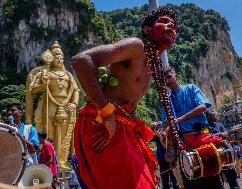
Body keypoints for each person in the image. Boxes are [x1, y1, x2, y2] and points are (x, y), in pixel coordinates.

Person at [71, 8, 177, 189]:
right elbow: (81, 60)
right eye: (165, 21)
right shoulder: (136, 47)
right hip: (101, 123)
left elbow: (130, 102)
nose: (170, 27)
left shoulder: (154, 64)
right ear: (147, 30)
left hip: (124, 125)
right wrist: (107, 112)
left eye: (173, 26)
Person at [162, 68, 224, 189]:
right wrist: (167, 124)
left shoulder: (191, 88)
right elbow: (166, 124)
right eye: (164, 80)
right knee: (191, 182)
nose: (168, 81)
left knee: (213, 180)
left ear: (176, 75)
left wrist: (180, 119)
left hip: (202, 139)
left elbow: (203, 107)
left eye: (169, 77)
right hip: (185, 144)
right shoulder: (167, 101)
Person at [26, 41, 79, 168]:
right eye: (57, 57)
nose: (60, 59)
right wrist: (44, 84)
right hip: (49, 104)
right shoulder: (46, 73)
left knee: (64, 135)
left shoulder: (68, 75)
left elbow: (75, 90)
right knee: (48, 133)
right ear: (51, 58)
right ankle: (48, 159)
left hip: (65, 106)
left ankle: (61, 161)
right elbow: (32, 90)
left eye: (62, 57)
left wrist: (74, 103)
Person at [206, 110, 240, 189]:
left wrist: (217, 135)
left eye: (215, 115)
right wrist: (219, 135)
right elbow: (207, 138)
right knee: (218, 179)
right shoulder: (205, 127)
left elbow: (226, 133)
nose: (215, 116)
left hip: (225, 155)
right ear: (207, 117)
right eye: (213, 115)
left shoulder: (219, 125)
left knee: (232, 176)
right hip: (214, 156)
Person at [151, 121, 179, 189]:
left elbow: (167, 146)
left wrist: (161, 136)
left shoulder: (167, 135)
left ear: (163, 127)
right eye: (157, 128)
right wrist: (152, 128)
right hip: (161, 160)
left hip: (170, 159)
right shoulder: (156, 137)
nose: (158, 129)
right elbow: (150, 136)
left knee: (174, 179)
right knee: (164, 181)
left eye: (159, 127)